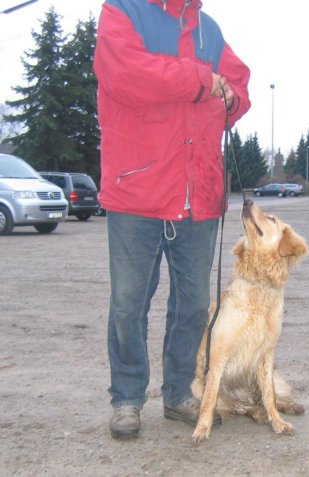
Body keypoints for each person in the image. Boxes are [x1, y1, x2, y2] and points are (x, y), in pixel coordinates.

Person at [93, 0, 250, 439]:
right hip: (137, 189)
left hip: (198, 194)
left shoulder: (210, 29)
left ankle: (179, 392)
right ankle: (127, 399)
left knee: (194, 306)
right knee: (128, 305)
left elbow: (238, 82)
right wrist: (203, 81)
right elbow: (125, 74)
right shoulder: (122, 12)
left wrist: (232, 96)